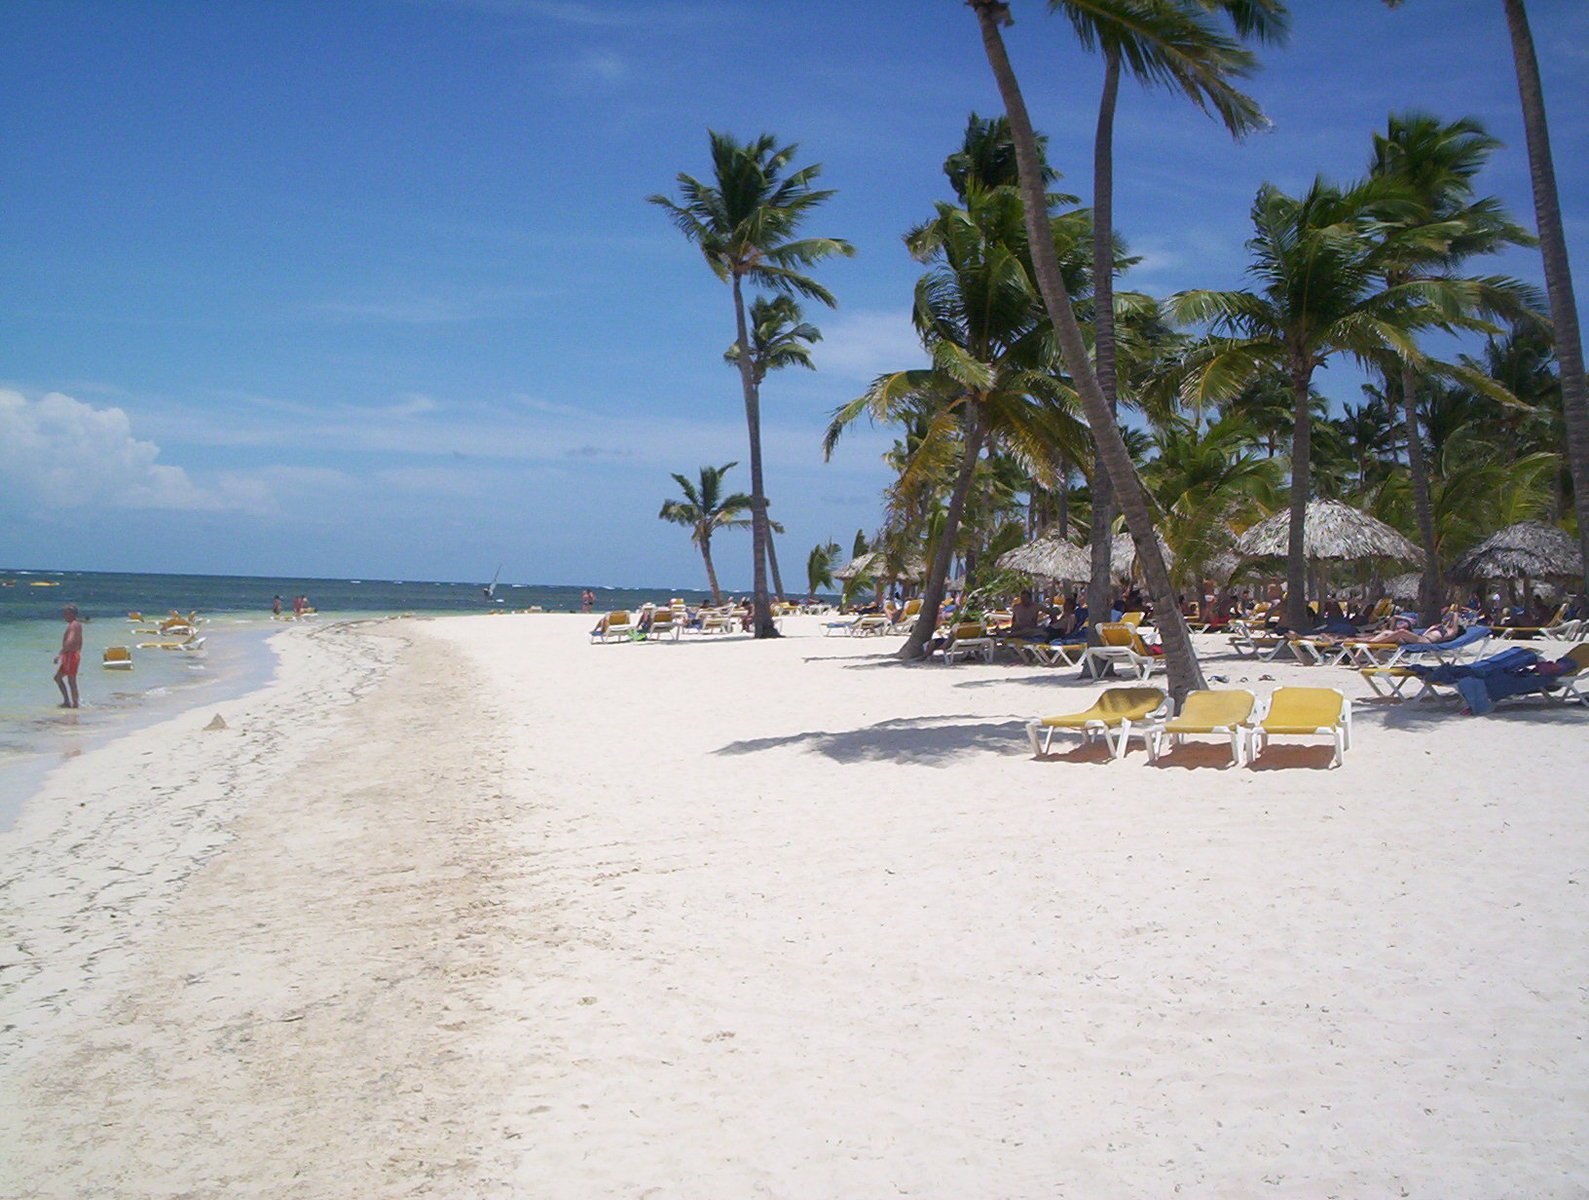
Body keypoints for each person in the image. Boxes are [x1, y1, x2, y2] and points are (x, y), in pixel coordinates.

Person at [54, 603, 83, 709]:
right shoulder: (77, 625)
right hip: (72, 655)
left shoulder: (73, 625)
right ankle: (68, 701)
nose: (64, 616)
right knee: (58, 678)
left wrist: (60, 654)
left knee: (71, 681)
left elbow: (70, 641)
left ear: (71, 614)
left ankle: (75, 704)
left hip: (71, 655)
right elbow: (80, 642)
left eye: (66, 614)